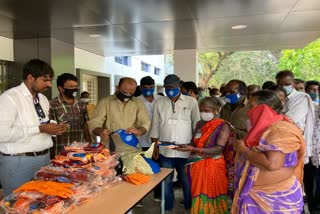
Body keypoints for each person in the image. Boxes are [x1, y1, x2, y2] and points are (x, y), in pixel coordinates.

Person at [0, 59, 67, 196]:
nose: (49, 84)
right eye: (45, 80)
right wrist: (40, 129)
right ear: (30, 78)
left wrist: (54, 129)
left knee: (41, 204)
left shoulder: (42, 99)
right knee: (18, 205)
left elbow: (42, 122)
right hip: (18, 162)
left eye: (50, 80)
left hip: (44, 159)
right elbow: (2, 133)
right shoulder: (10, 98)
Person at [232, 90, 305, 213]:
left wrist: (244, 150)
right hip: (256, 197)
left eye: (251, 106)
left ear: (265, 108)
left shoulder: (280, 129)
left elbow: (272, 164)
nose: (248, 111)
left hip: (275, 201)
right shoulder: (262, 129)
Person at [175, 97, 235, 213]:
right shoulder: (199, 124)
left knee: (212, 193)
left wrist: (193, 148)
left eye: (206, 111)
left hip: (213, 166)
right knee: (197, 193)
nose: (203, 113)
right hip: (196, 165)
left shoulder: (223, 126)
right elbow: (194, 142)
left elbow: (218, 149)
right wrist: (185, 146)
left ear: (216, 110)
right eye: (201, 110)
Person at [150, 74, 200, 213]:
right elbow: (155, 126)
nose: (169, 90)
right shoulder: (159, 102)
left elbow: (197, 125)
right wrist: (154, 147)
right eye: (167, 88)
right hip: (165, 151)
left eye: (172, 87)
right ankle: (167, 208)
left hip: (186, 150)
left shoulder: (191, 102)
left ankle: (189, 208)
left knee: (186, 180)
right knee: (166, 181)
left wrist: (195, 147)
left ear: (179, 86)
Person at [88, 77, 150, 153]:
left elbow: (145, 122)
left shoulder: (138, 103)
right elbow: (94, 123)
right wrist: (100, 131)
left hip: (132, 149)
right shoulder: (105, 102)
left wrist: (139, 131)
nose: (127, 95)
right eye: (124, 92)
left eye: (131, 93)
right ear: (117, 88)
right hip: (109, 150)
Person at [276, 70, 314, 163]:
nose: (283, 87)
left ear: (293, 83)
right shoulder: (278, 97)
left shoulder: (302, 98)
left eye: (287, 84)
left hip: (295, 142)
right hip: (279, 141)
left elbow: (288, 119)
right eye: (280, 84)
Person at [50, 73, 91, 157]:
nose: (75, 89)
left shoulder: (81, 105)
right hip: (60, 152)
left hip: (79, 152)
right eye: (71, 87)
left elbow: (84, 126)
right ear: (61, 88)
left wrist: (90, 145)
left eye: (76, 86)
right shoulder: (51, 105)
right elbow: (49, 131)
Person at [305, 80, 320, 213]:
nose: (314, 93)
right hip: (310, 153)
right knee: (310, 184)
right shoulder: (312, 108)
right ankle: (312, 207)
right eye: (312, 90)